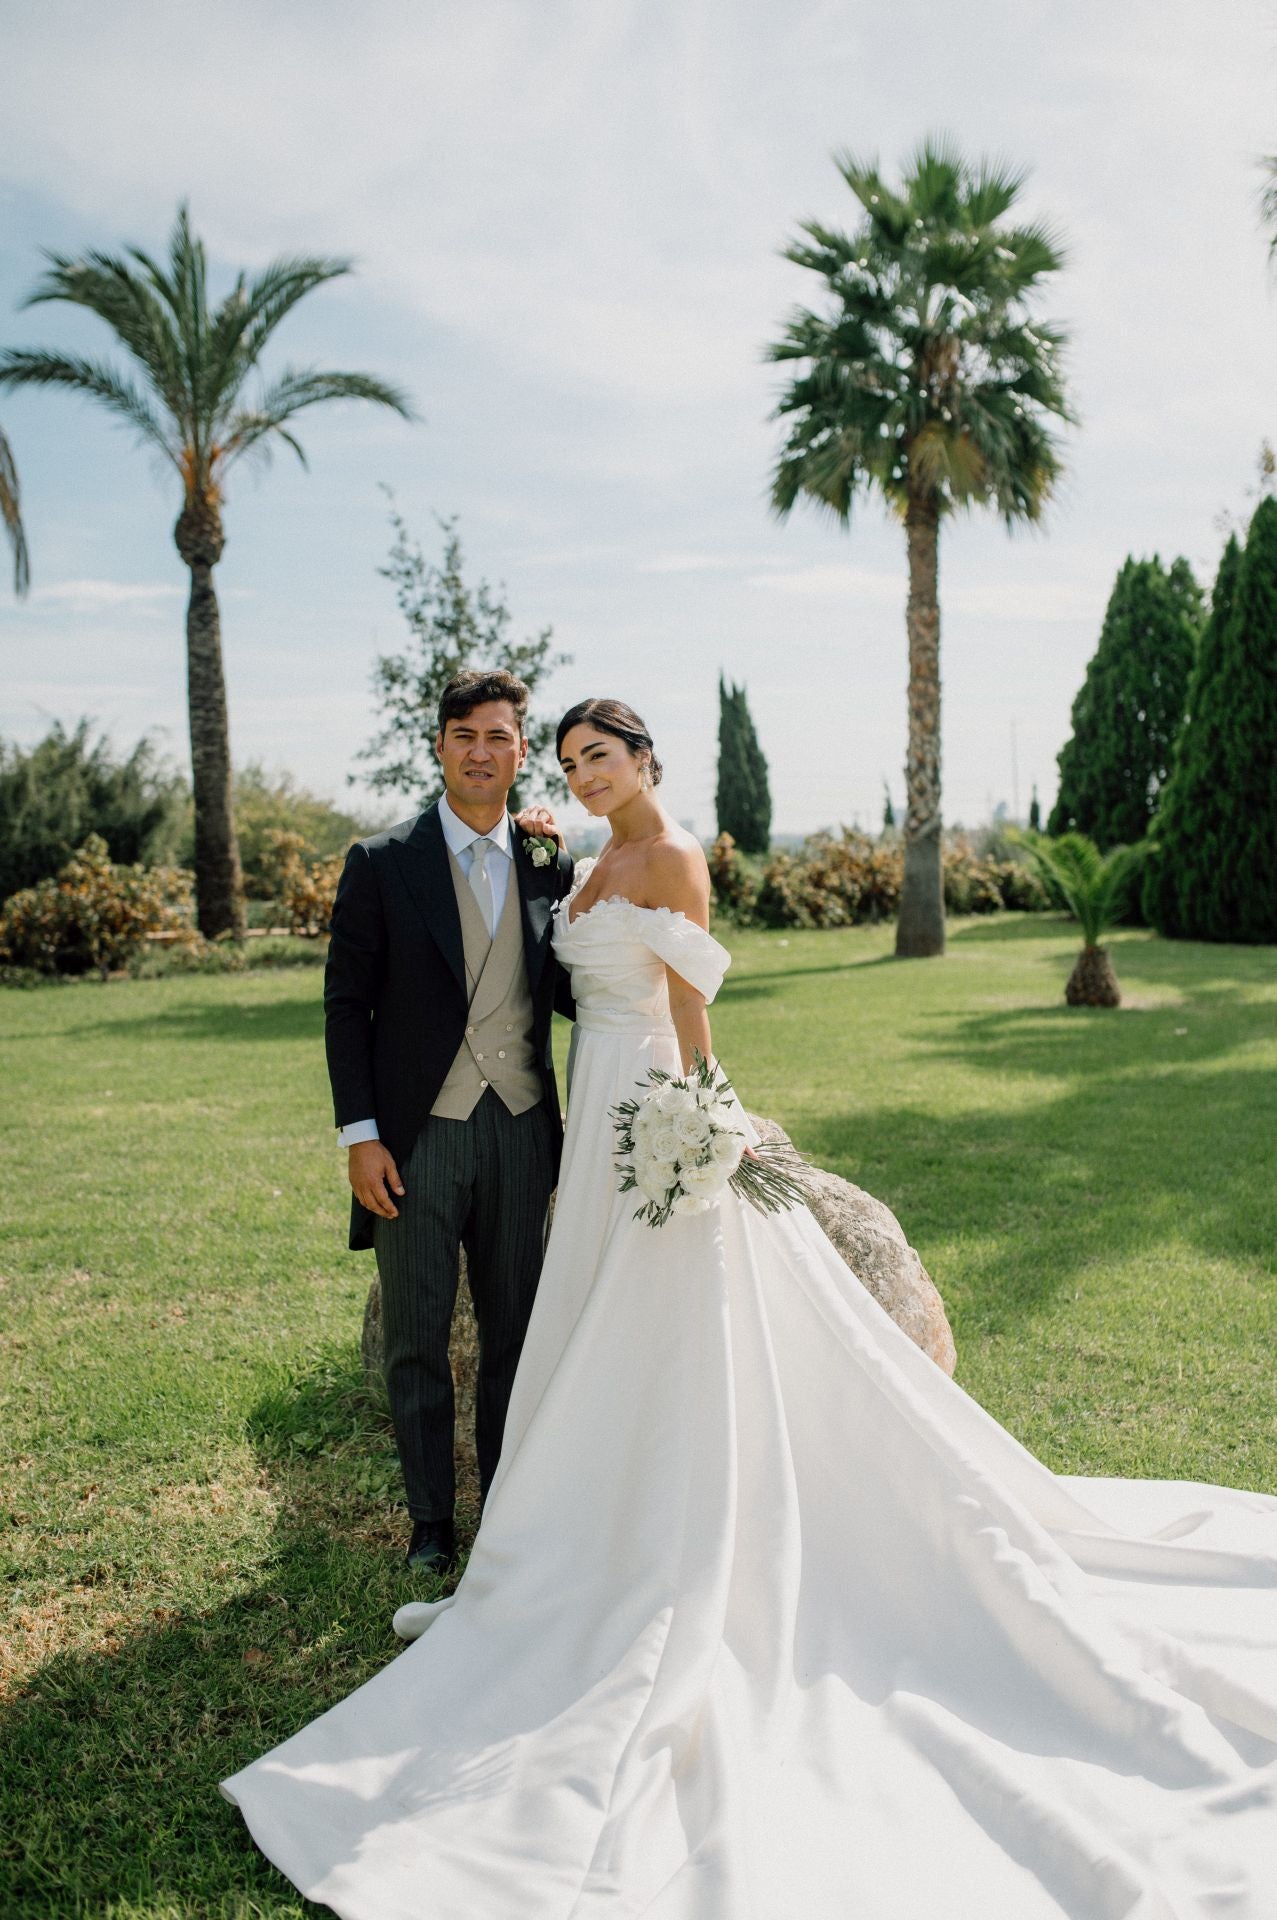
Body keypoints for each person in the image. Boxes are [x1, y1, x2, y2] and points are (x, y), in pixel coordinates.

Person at [225, 698, 1277, 1917]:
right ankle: (513, 1549)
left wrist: (703, 1119)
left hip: (645, 1112)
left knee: (665, 1337)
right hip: (568, 1113)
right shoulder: (554, 855)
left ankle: (658, 1549)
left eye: (594, 755)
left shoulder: (661, 857)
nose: (577, 773)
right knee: (556, 1337)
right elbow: (437, 992)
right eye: (566, 760)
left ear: (643, 761)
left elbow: (687, 1007)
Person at [322, 667, 573, 1573]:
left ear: (518, 751)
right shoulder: (383, 862)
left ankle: (504, 1506)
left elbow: (575, 986)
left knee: (515, 1332)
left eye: (499, 736)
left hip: (521, 1126)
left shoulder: (549, 860)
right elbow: (346, 1006)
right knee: (415, 1337)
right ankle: (431, 1522)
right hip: (417, 1136)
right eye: (464, 734)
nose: (480, 751)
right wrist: (361, 1138)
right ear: (439, 745)